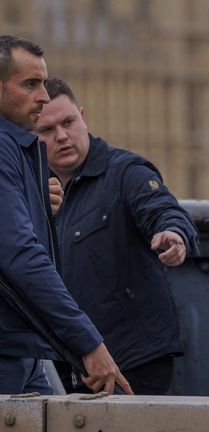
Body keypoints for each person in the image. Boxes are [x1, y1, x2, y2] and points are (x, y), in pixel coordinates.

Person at [33, 75, 199, 395]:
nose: (62, 136)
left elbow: (163, 209)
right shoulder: (33, 190)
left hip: (131, 359)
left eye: (68, 122)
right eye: (47, 131)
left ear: (82, 117)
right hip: (69, 363)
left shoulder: (125, 172)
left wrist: (174, 235)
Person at [0, 35, 131, 395]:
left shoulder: (19, 147)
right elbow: (19, 254)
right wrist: (87, 343)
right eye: (30, 84)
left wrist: (36, 208)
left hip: (21, 347)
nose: (44, 96)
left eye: (43, 82)